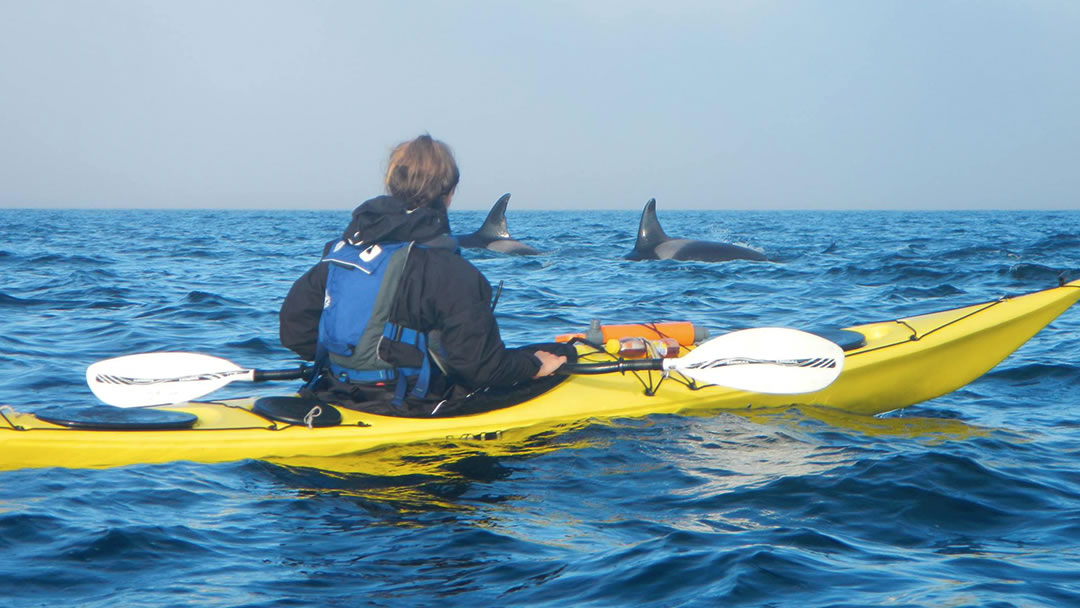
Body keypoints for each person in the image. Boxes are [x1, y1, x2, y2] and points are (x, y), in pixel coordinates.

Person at [279, 134, 570, 417]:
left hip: (335, 390)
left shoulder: (341, 254)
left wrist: (354, 364)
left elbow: (294, 333)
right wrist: (534, 366)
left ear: (391, 184)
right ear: (449, 193)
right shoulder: (453, 271)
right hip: (413, 405)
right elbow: (481, 368)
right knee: (563, 353)